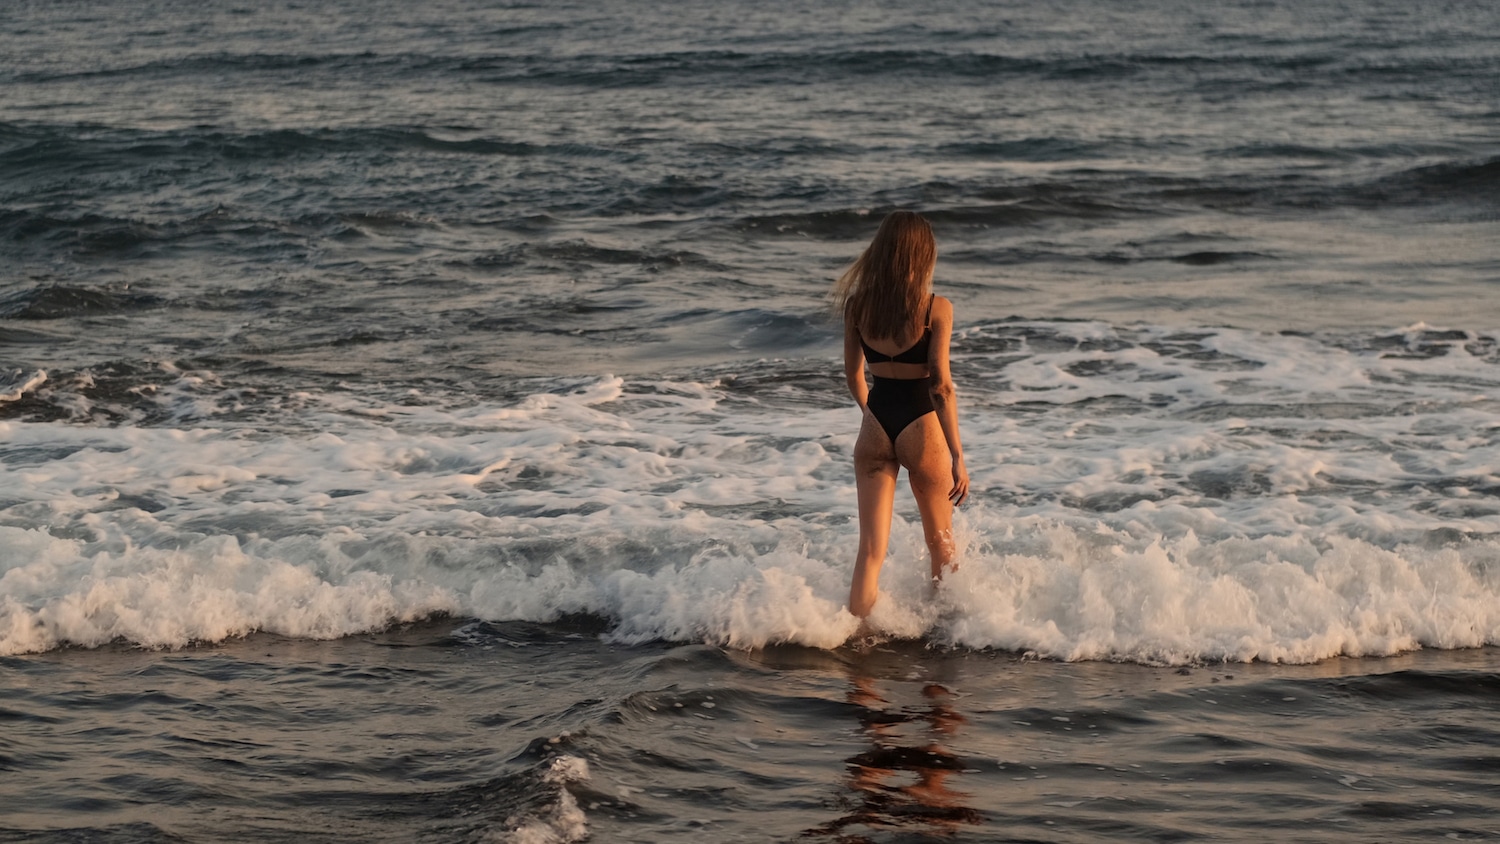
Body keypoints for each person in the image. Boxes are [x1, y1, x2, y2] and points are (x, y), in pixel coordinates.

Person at [833, 210, 968, 621]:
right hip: (921, 426)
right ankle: (946, 637)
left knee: (870, 550)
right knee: (941, 546)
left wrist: (872, 414)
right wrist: (958, 454)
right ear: (922, 254)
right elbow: (940, 387)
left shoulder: (857, 307)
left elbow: (854, 375)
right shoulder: (935, 308)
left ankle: (855, 639)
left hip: (876, 425)